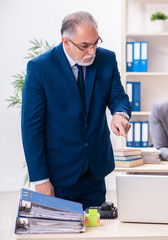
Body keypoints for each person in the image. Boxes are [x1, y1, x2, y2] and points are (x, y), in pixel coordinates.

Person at [21, 11, 131, 209]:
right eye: (85, 46)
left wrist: (119, 114)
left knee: (97, 232)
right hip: (58, 175)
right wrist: (40, 180)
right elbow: (31, 129)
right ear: (66, 42)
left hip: (95, 171)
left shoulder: (106, 59)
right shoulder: (40, 68)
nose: (92, 52)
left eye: (96, 43)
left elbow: (118, 96)